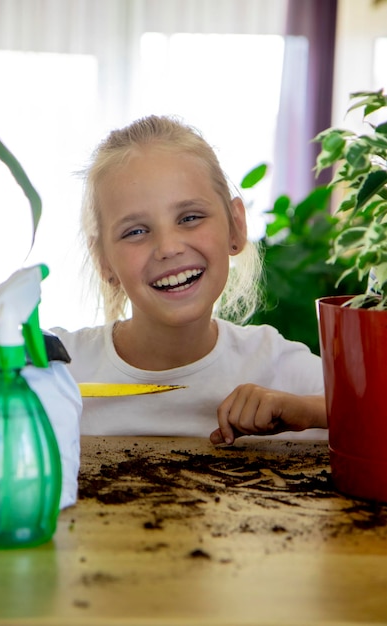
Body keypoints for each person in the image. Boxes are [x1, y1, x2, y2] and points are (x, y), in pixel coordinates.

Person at [52, 114, 327, 444]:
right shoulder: (56, 367)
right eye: (136, 231)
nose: (168, 248)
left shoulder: (277, 366)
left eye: (190, 218)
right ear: (103, 260)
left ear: (236, 225)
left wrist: (311, 411)